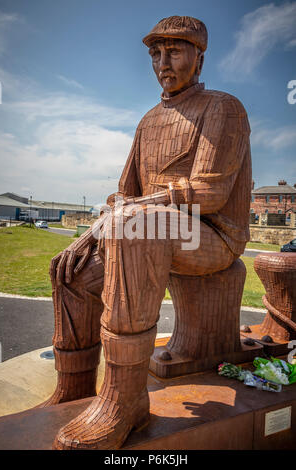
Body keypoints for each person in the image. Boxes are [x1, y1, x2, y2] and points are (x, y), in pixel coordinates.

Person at [47, 16, 251, 450]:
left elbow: (210, 193)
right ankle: (76, 387)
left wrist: (129, 213)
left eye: (175, 51)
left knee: (135, 229)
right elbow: (123, 194)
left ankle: (125, 400)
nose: (163, 62)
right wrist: (91, 232)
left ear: (199, 57)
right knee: (72, 270)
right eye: (156, 53)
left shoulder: (223, 106)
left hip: (211, 235)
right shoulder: (148, 121)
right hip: (155, 229)